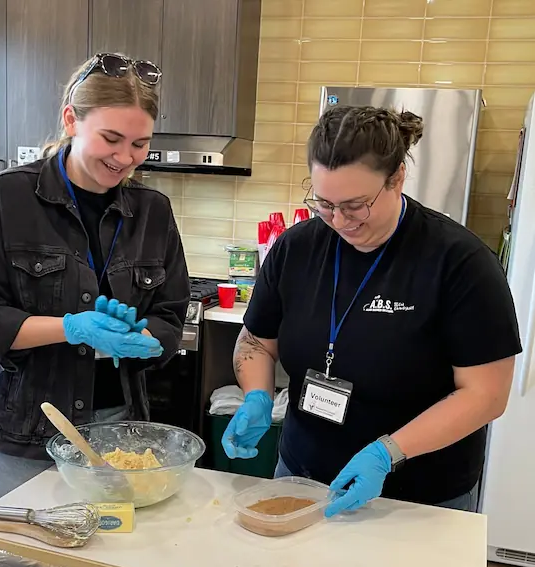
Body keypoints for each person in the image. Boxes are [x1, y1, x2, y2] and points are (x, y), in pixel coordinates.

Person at [222, 105, 521, 515]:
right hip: (300, 475)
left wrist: (389, 452)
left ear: (397, 177)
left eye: (356, 205)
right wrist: (256, 394)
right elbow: (256, 339)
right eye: (324, 204)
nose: (340, 221)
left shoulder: (460, 263)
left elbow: (486, 394)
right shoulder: (295, 249)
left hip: (419, 497)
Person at [0, 53, 190, 500]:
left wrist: (143, 336)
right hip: (26, 431)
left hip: (118, 428)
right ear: (71, 120)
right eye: (111, 138)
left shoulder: (153, 211)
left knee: (108, 559)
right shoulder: (7, 198)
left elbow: (170, 316)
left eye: (139, 144)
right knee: (37, 565)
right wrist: (71, 327)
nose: (125, 158)